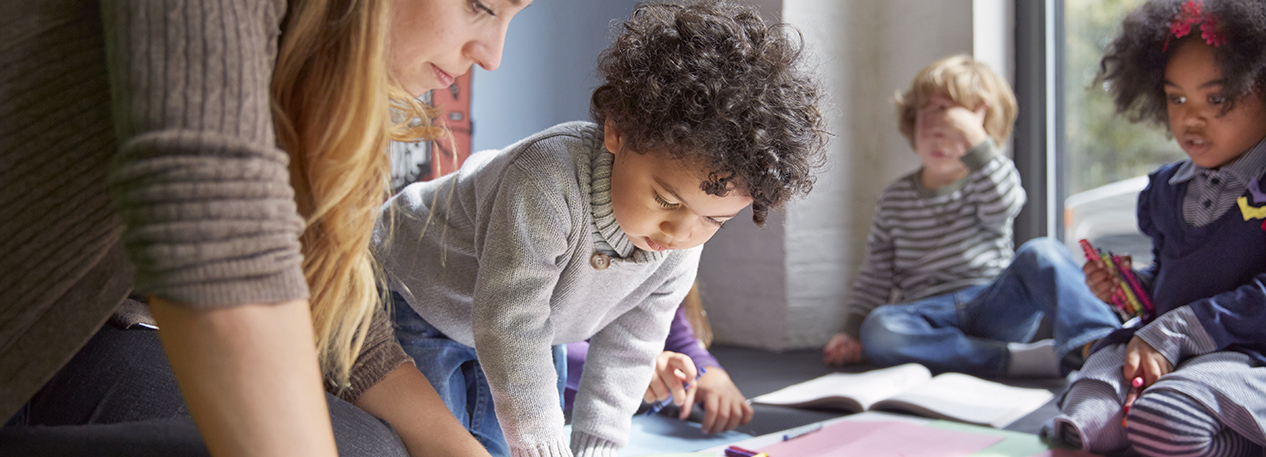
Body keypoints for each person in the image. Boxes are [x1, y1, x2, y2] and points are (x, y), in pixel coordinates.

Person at [0, 0, 530, 456]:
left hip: (77, 340)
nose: (493, 56)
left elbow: (342, 315)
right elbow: (211, 223)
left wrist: (459, 446)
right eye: (480, 5)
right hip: (33, 354)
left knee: (379, 443)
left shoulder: (317, 73)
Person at [372, 1, 827, 454]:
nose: (678, 232)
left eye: (714, 220)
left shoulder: (682, 242)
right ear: (618, 131)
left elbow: (632, 346)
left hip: (530, 326)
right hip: (417, 296)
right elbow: (510, 325)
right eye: (665, 199)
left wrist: (598, 447)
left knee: (500, 443)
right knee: (433, 444)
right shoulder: (544, 182)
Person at [1045, 1, 1266, 455]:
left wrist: (1176, 331)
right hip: (1170, 351)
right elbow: (1172, 283)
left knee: (1167, 414)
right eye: (1176, 97)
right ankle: (1108, 427)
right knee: (1096, 385)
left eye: (1216, 98)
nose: (1190, 117)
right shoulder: (1166, 190)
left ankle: (1179, 427)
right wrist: (1130, 287)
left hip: (1248, 354)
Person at [822, 55, 1120, 378]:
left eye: (954, 129)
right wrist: (851, 330)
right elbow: (875, 272)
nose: (940, 135)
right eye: (929, 120)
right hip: (928, 316)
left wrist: (974, 139)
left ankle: (1105, 344)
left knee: (1044, 252)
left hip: (991, 304)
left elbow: (1006, 203)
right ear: (911, 122)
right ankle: (1012, 361)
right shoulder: (895, 198)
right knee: (880, 328)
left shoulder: (987, 179)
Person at [564, 284, 754, 435]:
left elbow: (674, 333)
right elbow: (542, 343)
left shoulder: (668, 256)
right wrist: (630, 364)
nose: (675, 236)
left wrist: (709, 370)